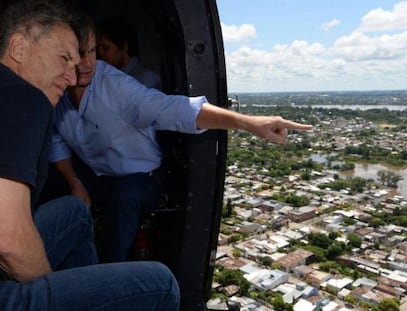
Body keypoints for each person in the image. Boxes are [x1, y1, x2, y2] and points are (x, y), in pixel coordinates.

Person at [46, 15, 313, 263]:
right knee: (47, 182)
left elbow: (174, 109)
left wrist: (249, 123)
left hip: (139, 175)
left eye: (92, 51)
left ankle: (106, 276)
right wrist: (74, 183)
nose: (89, 62)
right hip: (94, 171)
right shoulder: (52, 86)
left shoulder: (116, 87)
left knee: (123, 197)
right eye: (78, 54)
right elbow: (56, 141)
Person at [0, 1, 179, 310]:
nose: (72, 77)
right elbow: (8, 237)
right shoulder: (23, 96)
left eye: (81, 60)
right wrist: (57, 292)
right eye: (64, 59)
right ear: (18, 47)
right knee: (162, 283)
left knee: (75, 212)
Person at [97, 15, 161, 89]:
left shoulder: (146, 80)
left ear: (124, 46)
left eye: (106, 48)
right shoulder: (107, 80)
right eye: (98, 49)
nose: (100, 53)